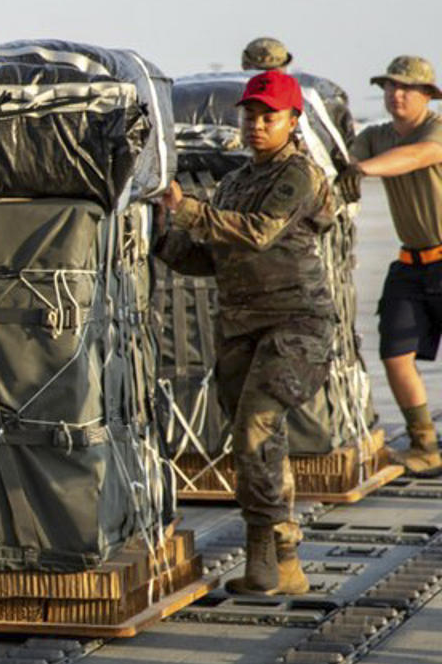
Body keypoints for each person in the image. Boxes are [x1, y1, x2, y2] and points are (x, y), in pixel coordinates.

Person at [156, 71, 335, 595]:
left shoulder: (298, 175)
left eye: (269, 116)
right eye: (250, 115)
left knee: (257, 426)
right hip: (240, 327)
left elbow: (258, 233)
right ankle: (285, 556)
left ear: (292, 121)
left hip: (296, 324)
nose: (256, 125)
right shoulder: (235, 182)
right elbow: (208, 257)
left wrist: (186, 208)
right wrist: (158, 235)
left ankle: (263, 553)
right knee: (254, 439)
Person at [342, 55, 442, 473]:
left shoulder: (435, 129)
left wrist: (360, 170)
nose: (396, 94)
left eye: (406, 88)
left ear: (426, 96)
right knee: (395, 353)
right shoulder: (376, 136)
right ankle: (424, 444)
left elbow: (417, 156)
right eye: (389, 87)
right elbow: (342, 159)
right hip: (410, 262)